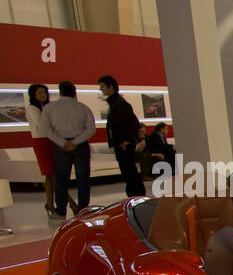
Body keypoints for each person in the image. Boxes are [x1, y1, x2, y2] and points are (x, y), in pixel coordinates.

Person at [39, 81, 95, 218]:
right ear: (74, 92)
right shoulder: (83, 108)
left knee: (61, 179)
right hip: (80, 145)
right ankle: (83, 210)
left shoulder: (50, 108)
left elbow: (46, 129)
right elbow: (91, 129)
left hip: (61, 146)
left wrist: (62, 142)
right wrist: (75, 142)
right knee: (83, 179)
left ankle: (61, 211)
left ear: (60, 92)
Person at [98, 75, 146, 197]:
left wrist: (127, 141)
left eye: (102, 86)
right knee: (129, 172)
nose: (101, 89)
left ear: (111, 87)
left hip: (124, 145)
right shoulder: (116, 103)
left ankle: (136, 196)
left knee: (129, 172)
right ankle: (135, 196)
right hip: (121, 144)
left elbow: (132, 124)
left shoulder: (120, 104)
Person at [26, 83, 61, 215]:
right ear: (34, 95)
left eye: (44, 93)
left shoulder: (47, 107)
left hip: (50, 141)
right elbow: (42, 125)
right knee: (51, 173)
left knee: (50, 174)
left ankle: (50, 203)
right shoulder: (32, 108)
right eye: (39, 93)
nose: (43, 95)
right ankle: (66, 201)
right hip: (41, 142)